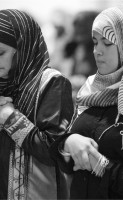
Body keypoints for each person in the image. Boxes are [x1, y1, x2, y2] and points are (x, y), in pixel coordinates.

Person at [50, 4, 123, 199]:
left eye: (107, 42)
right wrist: (68, 142)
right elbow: (67, 162)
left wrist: (101, 167)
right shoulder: (91, 91)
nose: (97, 50)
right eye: (95, 42)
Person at [0, 9, 74, 199]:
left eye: (1, 53)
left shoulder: (51, 83)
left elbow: (54, 150)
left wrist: (9, 117)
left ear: (22, 48)